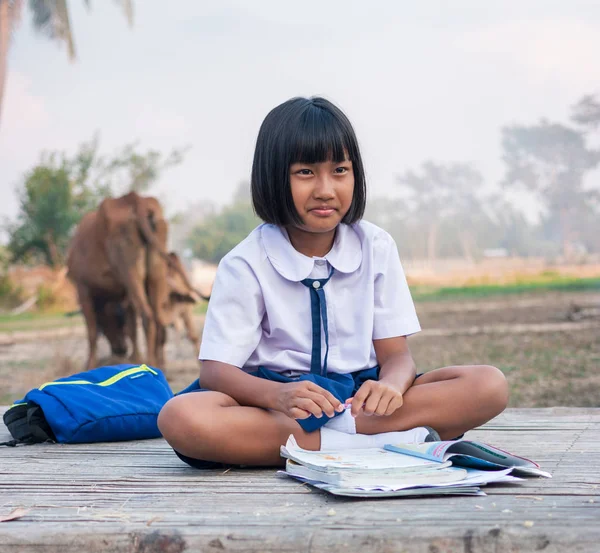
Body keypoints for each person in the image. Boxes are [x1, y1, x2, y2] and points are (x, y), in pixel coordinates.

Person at [158, 96, 509, 468]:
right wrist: (278, 396)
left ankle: (319, 444)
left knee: (488, 385)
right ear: (272, 178)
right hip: (281, 407)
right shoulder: (245, 263)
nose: (326, 189)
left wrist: (390, 386)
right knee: (181, 417)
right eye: (305, 172)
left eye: (340, 170)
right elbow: (216, 372)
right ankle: (384, 443)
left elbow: (397, 357)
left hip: (363, 404)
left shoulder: (376, 246)